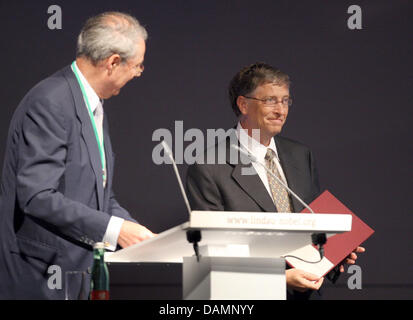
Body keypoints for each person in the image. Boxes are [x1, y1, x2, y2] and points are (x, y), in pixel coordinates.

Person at [0, 12, 155, 299]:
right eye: (138, 65)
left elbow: (99, 197)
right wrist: (114, 229)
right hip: (41, 278)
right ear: (113, 62)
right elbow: (36, 195)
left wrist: (137, 233)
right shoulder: (52, 100)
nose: (138, 73)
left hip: (77, 275)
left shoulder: (91, 104)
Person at [186, 62, 364, 299]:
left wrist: (333, 253)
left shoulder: (301, 155)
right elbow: (212, 255)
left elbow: (311, 225)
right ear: (243, 104)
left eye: (285, 100)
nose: (281, 111)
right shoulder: (209, 167)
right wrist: (278, 279)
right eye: (270, 100)